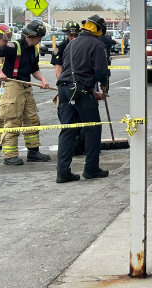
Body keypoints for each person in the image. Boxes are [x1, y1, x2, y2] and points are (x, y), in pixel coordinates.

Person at [55, 14, 109, 183]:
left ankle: (63, 172)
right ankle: (91, 168)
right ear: (99, 30)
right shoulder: (96, 44)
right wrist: (104, 86)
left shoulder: (71, 44)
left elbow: (72, 73)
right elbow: (100, 72)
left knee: (67, 130)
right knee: (92, 128)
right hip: (81, 92)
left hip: (64, 90)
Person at [0, 20, 51, 166]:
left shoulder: (34, 50)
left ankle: (33, 152)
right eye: (40, 37)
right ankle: (10, 155)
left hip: (26, 87)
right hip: (13, 86)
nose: (41, 40)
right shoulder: (13, 46)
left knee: (32, 119)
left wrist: (42, 79)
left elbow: (34, 70)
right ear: (34, 36)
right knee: (13, 120)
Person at [51, 20, 85, 157]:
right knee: (67, 119)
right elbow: (58, 69)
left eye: (76, 35)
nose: (74, 38)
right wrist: (63, 84)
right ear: (66, 35)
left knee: (82, 117)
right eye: (71, 36)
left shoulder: (83, 46)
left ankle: (81, 146)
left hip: (81, 85)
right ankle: (69, 148)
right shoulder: (60, 48)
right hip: (67, 86)